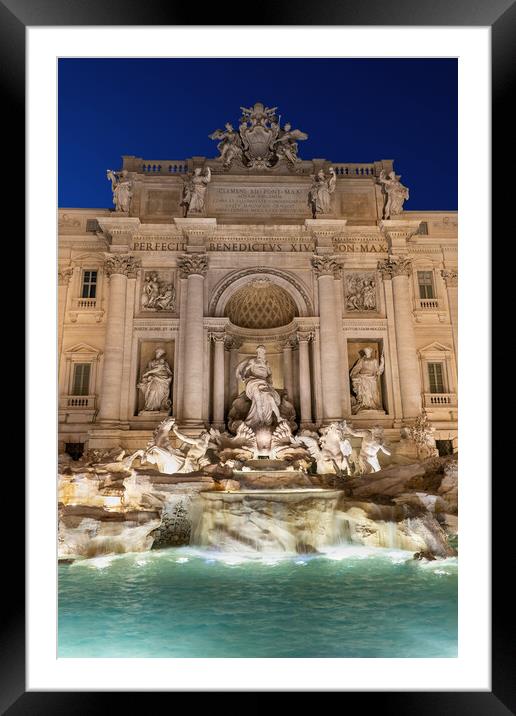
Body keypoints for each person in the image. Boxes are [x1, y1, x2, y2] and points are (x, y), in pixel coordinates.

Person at [235, 345, 281, 428]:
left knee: (269, 398)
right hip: (254, 382)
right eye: (259, 351)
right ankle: (260, 421)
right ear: (257, 352)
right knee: (258, 400)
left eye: (262, 351)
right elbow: (245, 369)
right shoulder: (253, 361)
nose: (261, 353)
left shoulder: (266, 363)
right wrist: (243, 377)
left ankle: (270, 419)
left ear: (264, 353)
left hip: (264, 383)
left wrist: (270, 383)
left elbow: (269, 374)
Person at [350, 347, 384, 413]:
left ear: (370, 352)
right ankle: (364, 404)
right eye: (365, 351)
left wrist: (382, 362)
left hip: (371, 378)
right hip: (362, 377)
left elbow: (378, 371)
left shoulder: (374, 360)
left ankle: (372, 405)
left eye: (367, 351)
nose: (366, 352)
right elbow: (356, 369)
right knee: (363, 391)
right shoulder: (361, 360)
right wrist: (355, 375)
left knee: (372, 392)